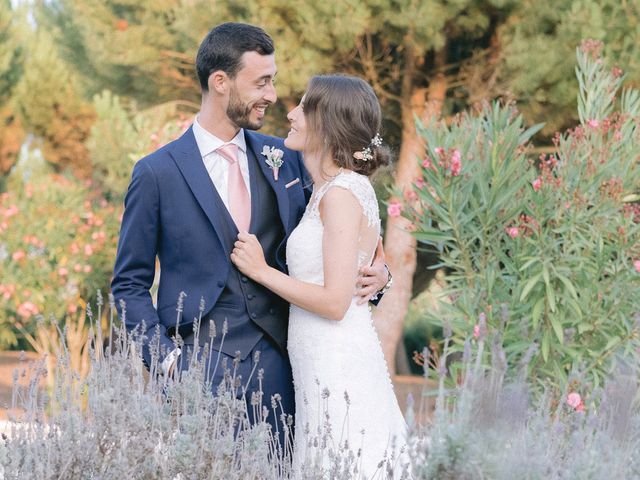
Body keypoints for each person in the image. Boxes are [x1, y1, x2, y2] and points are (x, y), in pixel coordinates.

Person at [110, 23, 391, 447]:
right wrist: (166, 362)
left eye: (273, 81)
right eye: (261, 82)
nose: (273, 95)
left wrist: (380, 273)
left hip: (290, 373)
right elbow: (128, 284)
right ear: (220, 82)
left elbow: (345, 222)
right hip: (198, 373)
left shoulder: (286, 159)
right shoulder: (156, 173)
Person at [231, 75, 409, 477]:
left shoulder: (342, 194)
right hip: (318, 361)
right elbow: (371, 261)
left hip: (338, 360)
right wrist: (383, 273)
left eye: (304, 108)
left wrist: (261, 271)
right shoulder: (330, 190)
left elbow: (334, 301)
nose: (290, 114)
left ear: (327, 124)